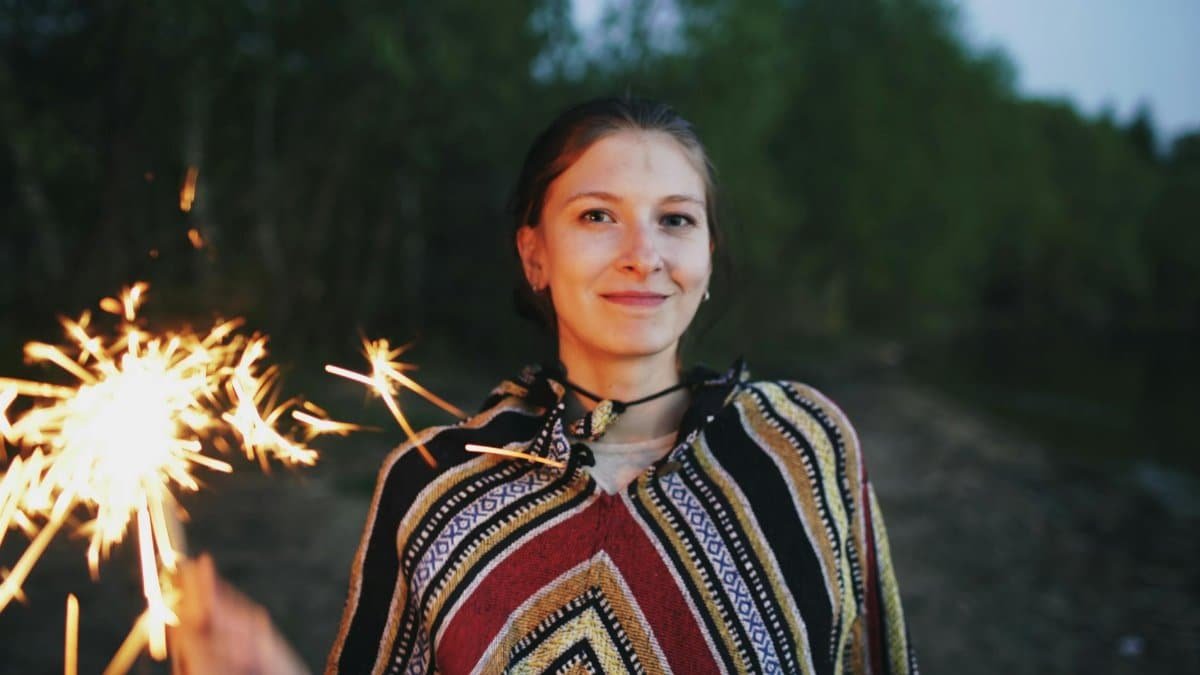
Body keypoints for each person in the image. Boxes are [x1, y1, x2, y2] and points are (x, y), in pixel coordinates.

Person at [172, 95, 917, 675]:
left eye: (676, 220)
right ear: (535, 254)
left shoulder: (799, 444)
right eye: (598, 216)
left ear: (709, 256)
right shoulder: (433, 482)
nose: (643, 255)